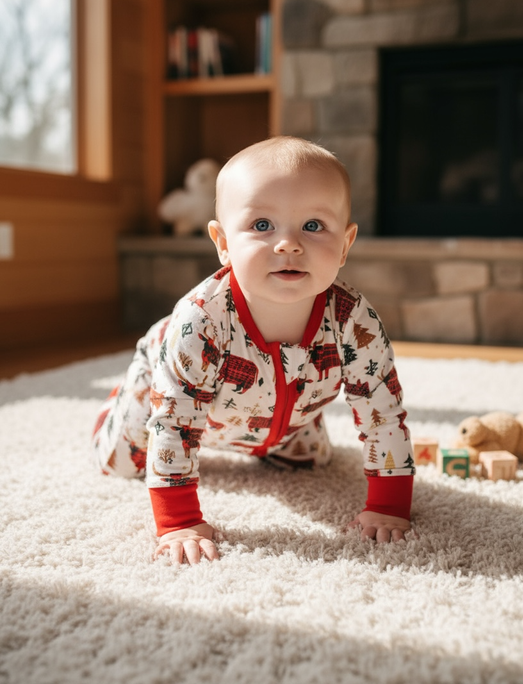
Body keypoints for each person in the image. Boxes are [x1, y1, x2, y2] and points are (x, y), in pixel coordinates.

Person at [92, 136, 415, 565]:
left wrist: (388, 506)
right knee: (121, 461)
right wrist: (179, 521)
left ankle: (274, 442)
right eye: (262, 225)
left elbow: (381, 408)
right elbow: (175, 421)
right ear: (223, 243)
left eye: (313, 226)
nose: (288, 244)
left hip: (288, 415)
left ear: (345, 244)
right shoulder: (200, 320)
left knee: (314, 462)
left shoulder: (354, 319)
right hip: (174, 389)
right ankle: (116, 409)